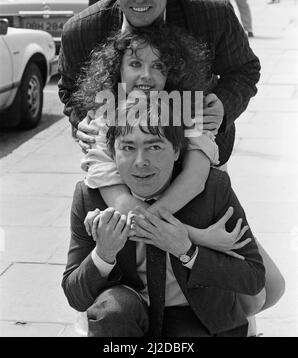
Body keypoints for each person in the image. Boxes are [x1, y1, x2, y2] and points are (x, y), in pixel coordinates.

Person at [58, 0, 261, 170]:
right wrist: (83, 121)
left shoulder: (212, 14)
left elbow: (244, 70)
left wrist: (223, 106)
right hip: (117, 162)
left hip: (198, 155)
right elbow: (70, 88)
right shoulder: (81, 31)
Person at [62, 98, 266, 337]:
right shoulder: (89, 197)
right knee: (114, 310)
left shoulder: (213, 189)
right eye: (128, 147)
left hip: (196, 315)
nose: (141, 161)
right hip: (127, 317)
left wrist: (188, 251)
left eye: (154, 147)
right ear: (111, 153)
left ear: (177, 150)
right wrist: (103, 254)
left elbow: (253, 277)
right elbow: (75, 297)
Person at [73, 24, 247, 256]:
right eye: (135, 64)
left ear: (171, 73)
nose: (146, 75)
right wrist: (196, 236)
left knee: (271, 284)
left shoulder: (190, 110)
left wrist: (160, 227)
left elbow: (194, 180)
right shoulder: (102, 121)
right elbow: (120, 202)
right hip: (141, 237)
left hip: (195, 210)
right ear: (118, 69)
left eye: (158, 66)